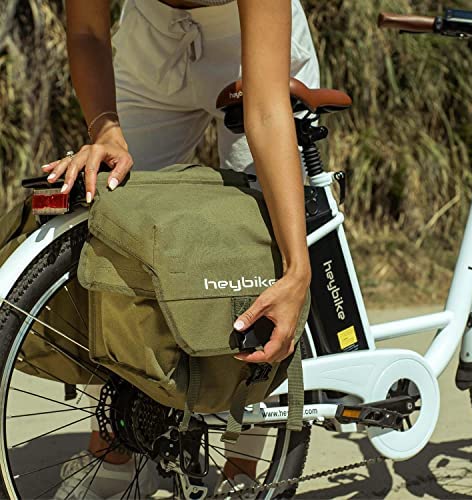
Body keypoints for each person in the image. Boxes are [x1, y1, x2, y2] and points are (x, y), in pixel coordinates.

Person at [44, 0, 320, 497]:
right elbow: (86, 33)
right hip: (152, 46)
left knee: (264, 240)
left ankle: (242, 468)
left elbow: (264, 110)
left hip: (255, 47)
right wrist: (106, 130)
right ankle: (114, 452)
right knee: (115, 226)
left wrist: (298, 270)